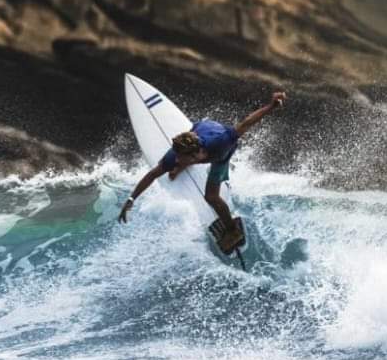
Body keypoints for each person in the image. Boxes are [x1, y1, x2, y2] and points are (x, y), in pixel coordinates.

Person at [119, 91, 288, 248]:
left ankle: (232, 230)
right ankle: (184, 165)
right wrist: (131, 199)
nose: (176, 159)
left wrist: (271, 106)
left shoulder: (222, 142)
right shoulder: (176, 155)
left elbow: (247, 123)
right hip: (200, 128)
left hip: (220, 153)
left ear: (195, 155)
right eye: (177, 156)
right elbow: (152, 175)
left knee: (211, 197)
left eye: (181, 158)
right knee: (170, 165)